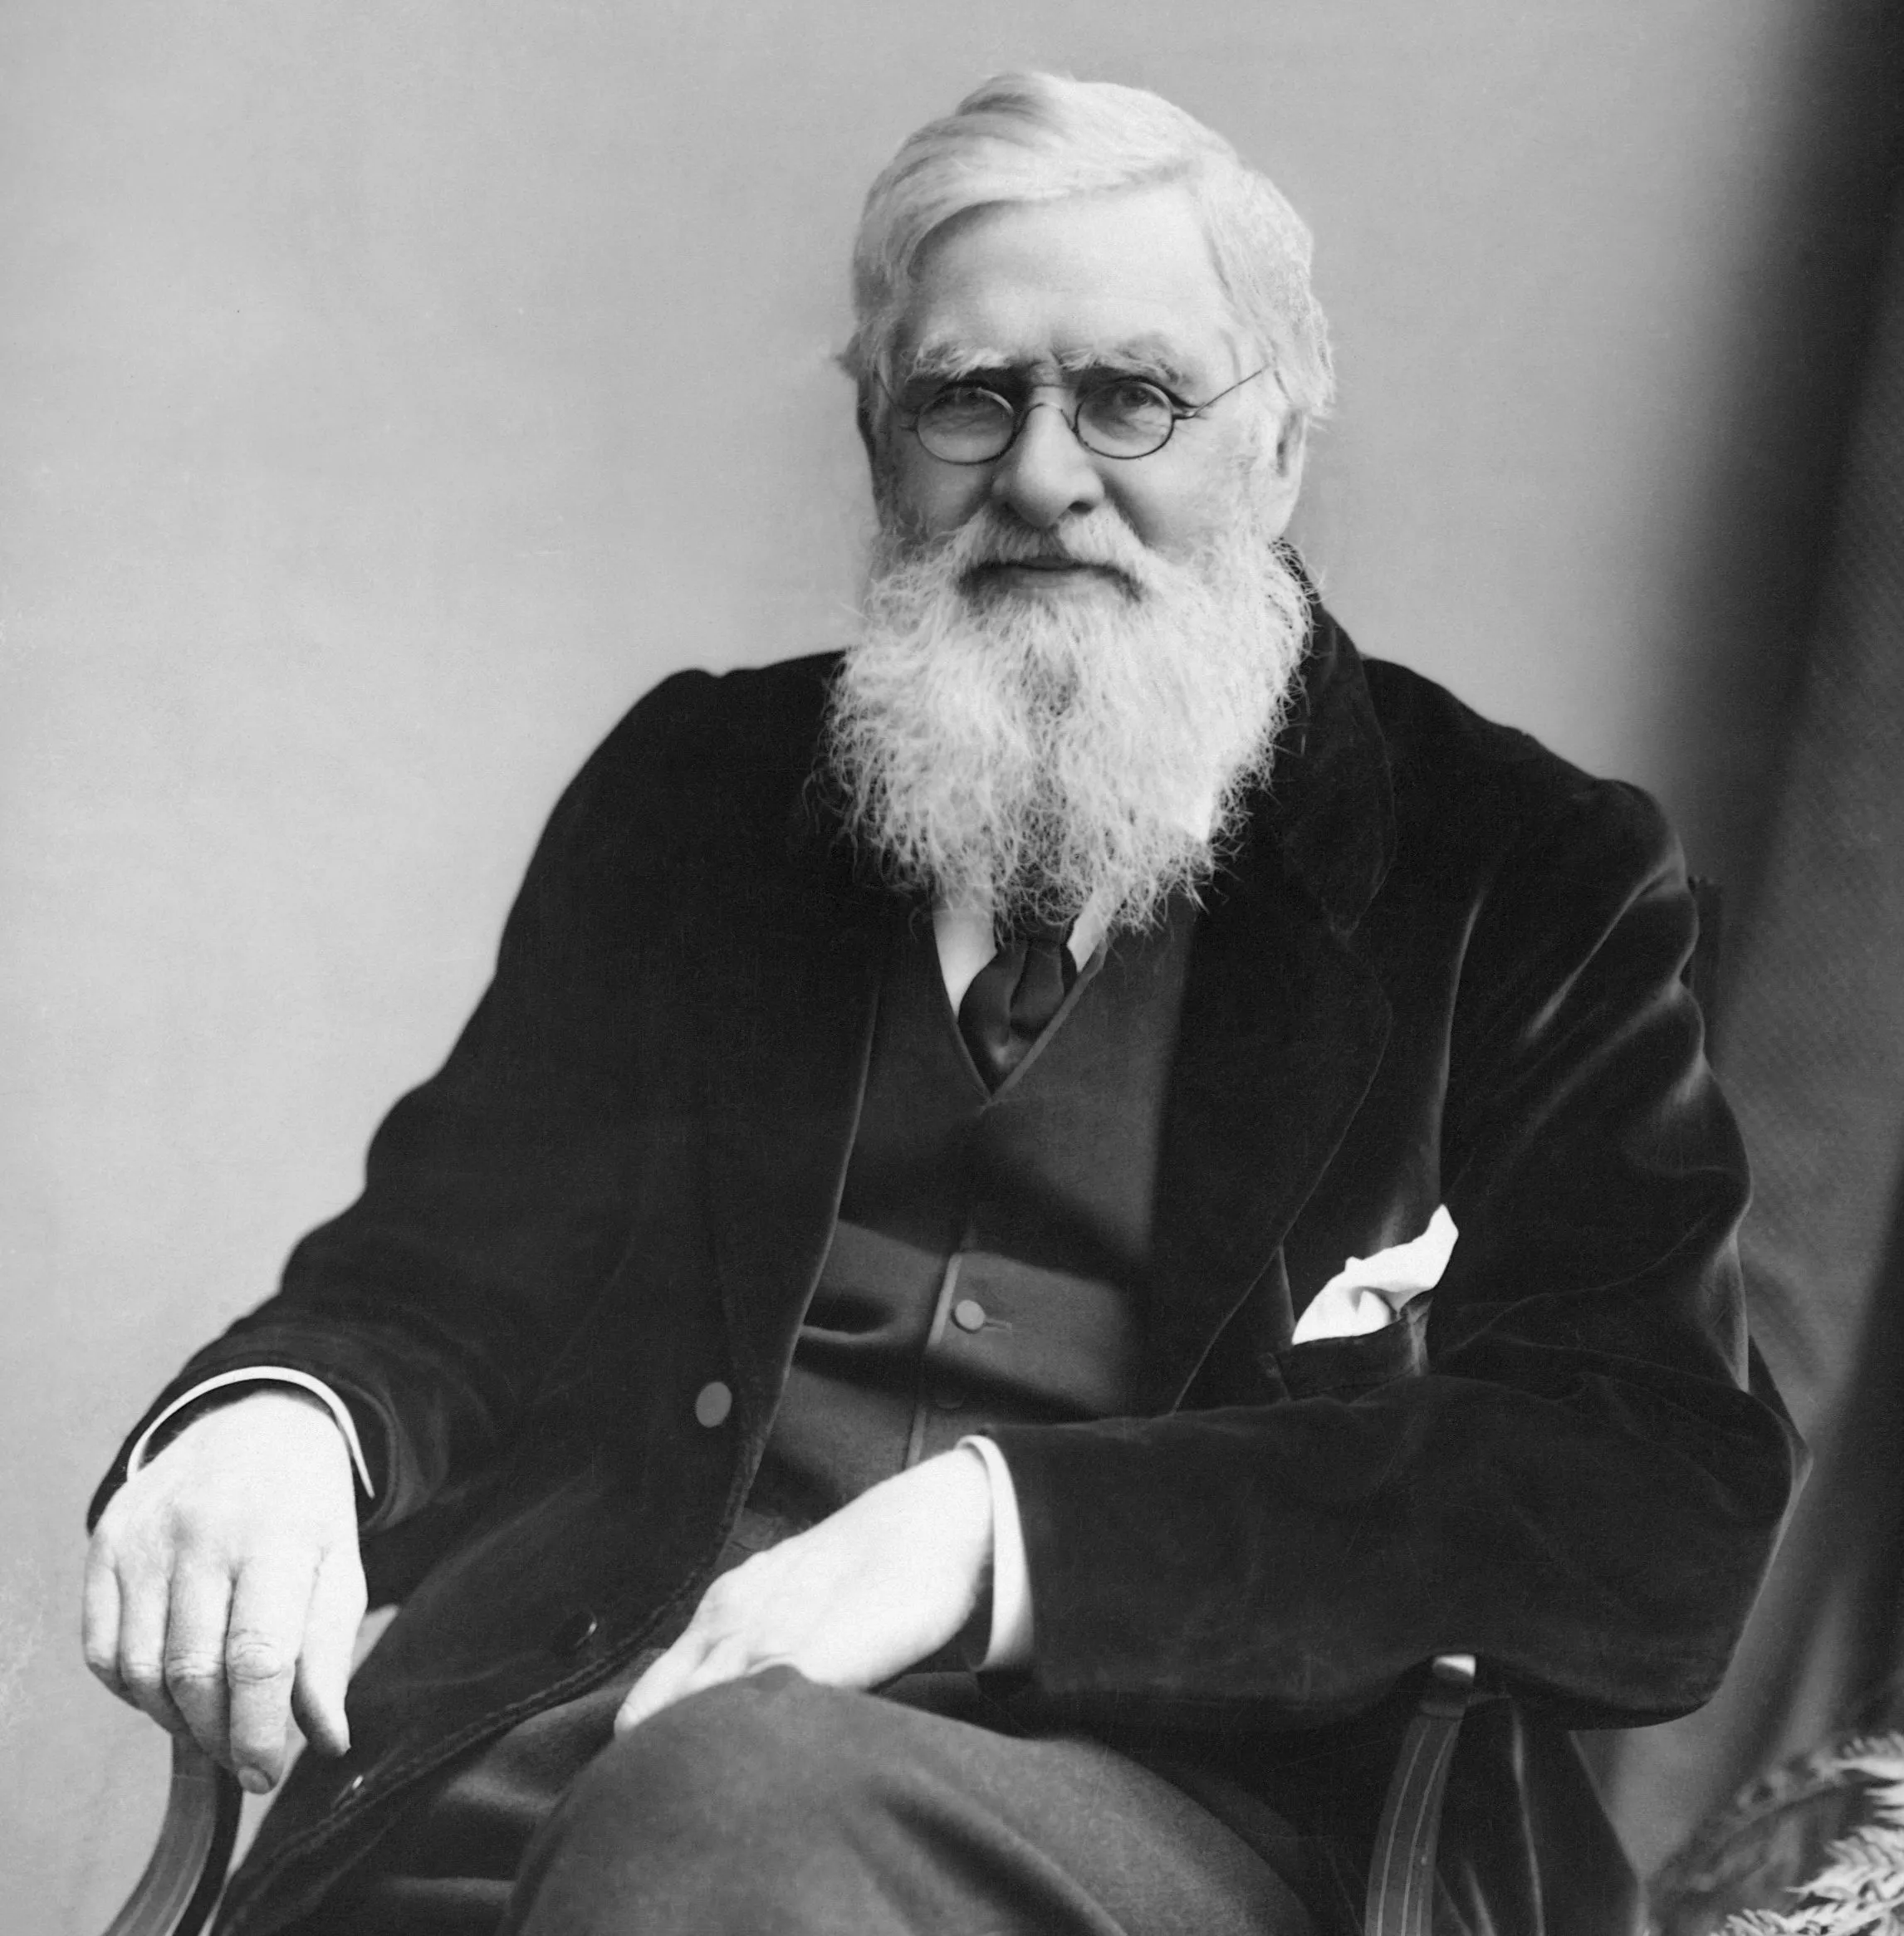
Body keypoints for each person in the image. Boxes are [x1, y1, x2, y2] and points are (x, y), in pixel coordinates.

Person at [81, 72, 1799, 1936]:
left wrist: (997, 1534)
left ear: (1281, 444)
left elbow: (1649, 1499)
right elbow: (437, 1287)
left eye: (1133, 394)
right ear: (882, 444)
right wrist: (285, 1415)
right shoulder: (701, 794)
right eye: (969, 396)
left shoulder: (1518, 874)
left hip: (1169, 1832)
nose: (1045, 475)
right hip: (541, 1741)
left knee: (734, 1806)